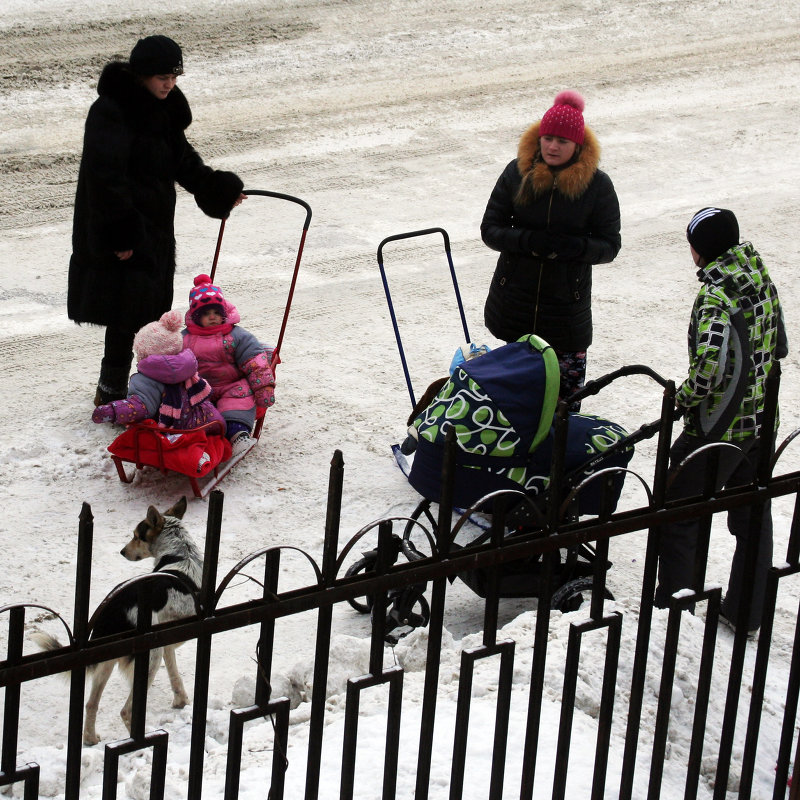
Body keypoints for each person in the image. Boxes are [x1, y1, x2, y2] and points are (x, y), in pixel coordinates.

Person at [67, 35, 247, 407]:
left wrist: (216, 188)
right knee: (124, 313)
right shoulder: (111, 111)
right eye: (162, 76)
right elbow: (105, 178)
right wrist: (121, 234)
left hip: (153, 230)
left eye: (175, 77)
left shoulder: (161, 110)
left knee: (148, 310)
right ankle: (112, 390)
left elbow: (182, 160)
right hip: (121, 228)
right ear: (142, 75)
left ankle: (147, 391)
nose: (169, 84)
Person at [654, 207, 788, 634]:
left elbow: (710, 368)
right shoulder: (757, 275)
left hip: (720, 428)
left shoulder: (716, 295)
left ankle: (676, 622)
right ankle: (747, 611)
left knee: (678, 510)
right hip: (762, 420)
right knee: (752, 511)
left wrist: (683, 398)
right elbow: (779, 343)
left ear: (701, 249)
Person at [481, 90, 621, 408]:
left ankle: (556, 456)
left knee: (562, 406)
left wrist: (569, 247)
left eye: (562, 141)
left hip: (565, 317)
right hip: (515, 307)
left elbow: (609, 246)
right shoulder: (516, 173)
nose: (553, 146)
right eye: (548, 138)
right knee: (511, 401)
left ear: (578, 145)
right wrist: (529, 242)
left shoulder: (597, 186)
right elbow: (490, 230)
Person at [182, 274, 276, 456]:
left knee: (237, 404)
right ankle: (193, 437)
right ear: (196, 316)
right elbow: (174, 362)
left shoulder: (237, 335)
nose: (212, 317)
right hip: (199, 387)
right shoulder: (185, 337)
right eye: (206, 314)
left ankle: (238, 435)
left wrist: (264, 387)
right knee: (188, 408)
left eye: (217, 313)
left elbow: (255, 363)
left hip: (231, 385)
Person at [91, 309, 224, 433]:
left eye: (140, 352)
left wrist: (113, 411)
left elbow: (140, 407)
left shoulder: (146, 380)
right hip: (203, 421)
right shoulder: (188, 369)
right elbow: (204, 400)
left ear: (146, 354)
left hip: (173, 430)